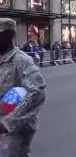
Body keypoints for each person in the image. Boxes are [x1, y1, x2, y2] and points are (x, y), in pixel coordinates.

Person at [0, 18, 47, 156]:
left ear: (9, 36)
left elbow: (37, 92)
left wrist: (8, 123)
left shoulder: (21, 60)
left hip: (15, 132)